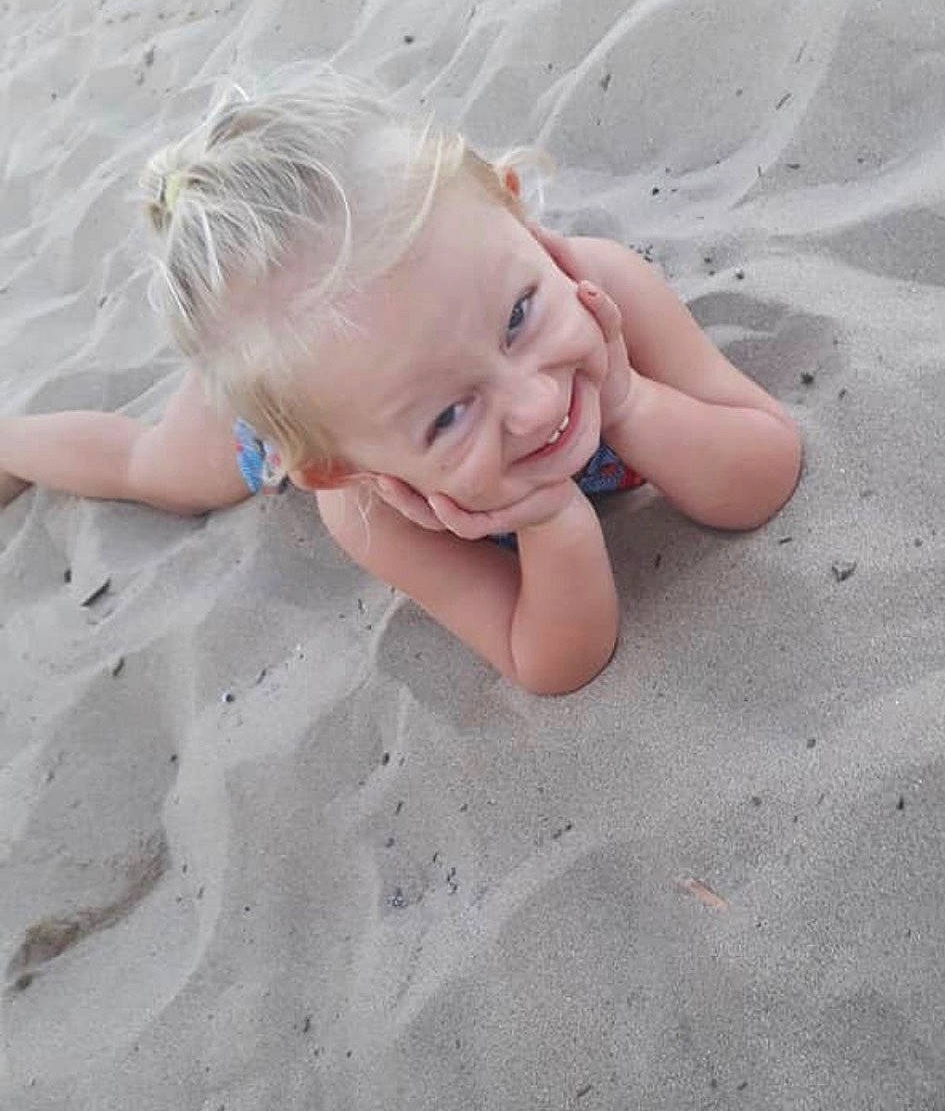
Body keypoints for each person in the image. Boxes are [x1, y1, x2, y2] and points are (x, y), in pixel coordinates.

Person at [0, 79, 804, 693]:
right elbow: (552, 661)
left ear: (515, 211)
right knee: (159, 472)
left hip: (349, 379)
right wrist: (552, 515)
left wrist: (630, 402)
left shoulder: (604, 288)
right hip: (302, 405)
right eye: (449, 415)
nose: (534, 405)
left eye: (519, 314)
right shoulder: (364, 505)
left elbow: (765, 470)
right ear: (338, 468)